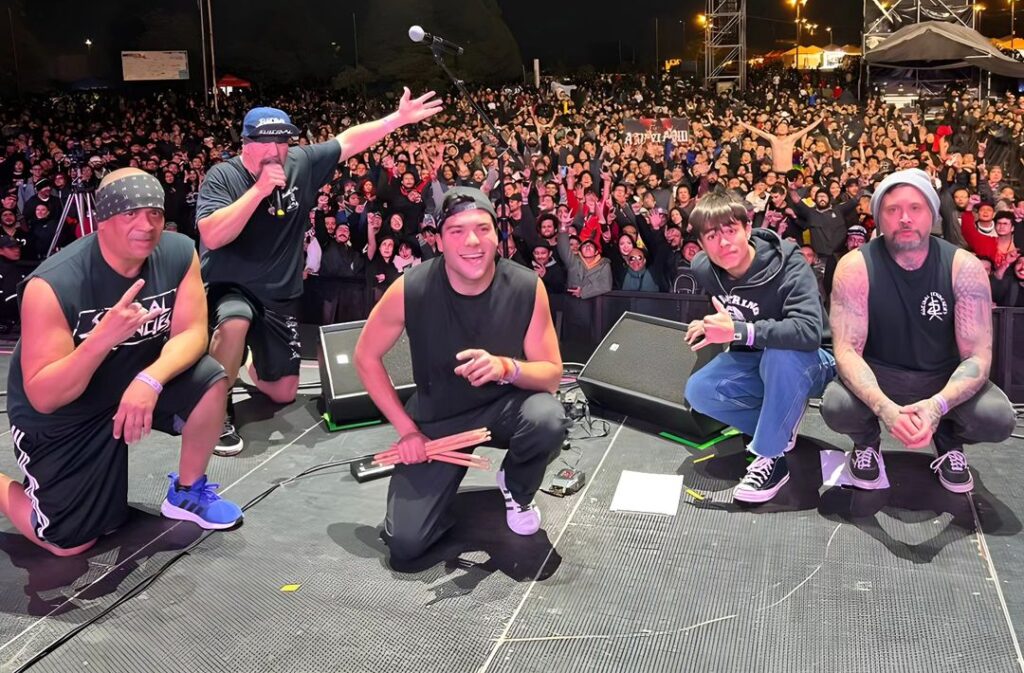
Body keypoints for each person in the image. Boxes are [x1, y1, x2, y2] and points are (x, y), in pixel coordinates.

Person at [0, 168, 241, 557]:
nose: (146, 225)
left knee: (211, 378)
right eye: (130, 213)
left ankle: (186, 492)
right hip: (67, 408)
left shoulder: (180, 253)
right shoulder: (52, 284)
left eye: (154, 213)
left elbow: (192, 334)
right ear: (103, 220)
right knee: (69, 545)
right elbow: (45, 396)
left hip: (132, 377)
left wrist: (150, 380)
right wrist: (102, 339)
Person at [196, 90, 442, 455]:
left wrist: (398, 119)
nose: (276, 151)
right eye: (265, 143)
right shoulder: (224, 176)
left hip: (277, 292)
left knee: (284, 392)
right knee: (235, 321)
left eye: (282, 142)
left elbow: (347, 142)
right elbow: (213, 235)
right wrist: (260, 191)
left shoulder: (300, 163)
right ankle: (214, 408)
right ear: (245, 144)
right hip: (230, 284)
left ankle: (243, 364)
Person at [353, 187, 570, 565]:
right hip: (439, 419)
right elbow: (365, 357)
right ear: (438, 240)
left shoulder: (526, 286)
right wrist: (407, 430)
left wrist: (506, 367)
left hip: (503, 409)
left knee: (548, 418)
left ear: (497, 236)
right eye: (456, 231)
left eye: (483, 229)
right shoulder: (411, 287)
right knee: (405, 545)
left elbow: (552, 375)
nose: (472, 241)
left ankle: (516, 488)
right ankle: (436, 502)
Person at [823, 169, 1016, 492]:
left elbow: (978, 356)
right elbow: (846, 351)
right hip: (880, 374)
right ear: (878, 218)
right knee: (836, 405)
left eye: (916, 208)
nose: (905, 218)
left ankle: (948, 440)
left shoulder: (963, 267)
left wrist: (937, 405)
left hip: (943, 377)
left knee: (998, 417)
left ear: (932, 214)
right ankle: (867, 443)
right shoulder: (855, 266)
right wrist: (885, 407)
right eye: (892, 209)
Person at [683, 189, 835, 503]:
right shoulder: (703, 268)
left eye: (730, 230)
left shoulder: (788, 262)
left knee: (779, 355)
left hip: (813, 359)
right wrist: (710, 323)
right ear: (701, 244)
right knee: (698, 391)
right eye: (712, 236)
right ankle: (779, 427)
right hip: (759, 359)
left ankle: (771, 457)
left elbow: (808, 332)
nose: (723, 242)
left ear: (747, 229)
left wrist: (738, 330)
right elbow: (736, 307)